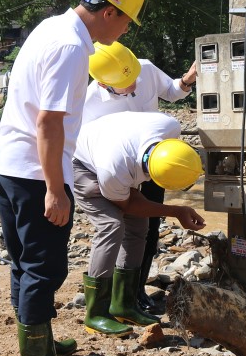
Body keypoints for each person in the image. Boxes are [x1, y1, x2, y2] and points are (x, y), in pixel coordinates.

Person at [0, 0, 147, 356]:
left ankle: (39, 342)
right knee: (44, 267)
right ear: (111, 10)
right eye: (128, 21)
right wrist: (55, 190)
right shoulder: (71, 47)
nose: (126, 31)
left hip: (9, 167)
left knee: (24, 264)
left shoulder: (51, 28)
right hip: (34, 174)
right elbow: (48, 122)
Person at [82, 41, 196, 313]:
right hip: (115, 168)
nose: (134, 85)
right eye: (125, 84)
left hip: (156, 163)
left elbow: (171, 91)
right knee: (118, 228)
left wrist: (187, 80)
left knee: (149, 228)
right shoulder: (90, 102)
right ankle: (110, 300)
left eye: (134, 77)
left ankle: (135, 291)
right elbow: (89, 148)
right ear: (102, 84)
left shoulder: (143, 68)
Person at [73, 112, 204, 335]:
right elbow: (129, 205)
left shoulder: (170, 127)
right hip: (83, 165)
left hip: (111, 149)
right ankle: (96, 314)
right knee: (111, 226)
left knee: (139, 226)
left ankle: (123, 304)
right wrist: (176, 211)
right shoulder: (113, 170)